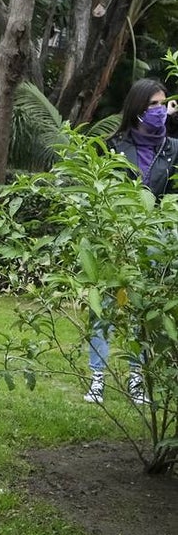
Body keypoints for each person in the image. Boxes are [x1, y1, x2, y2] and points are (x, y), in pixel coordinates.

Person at [83, 77, 178, 404]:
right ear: (137, 107)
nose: (160, 110)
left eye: (163, 104)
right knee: (105, 307)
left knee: (143, 311)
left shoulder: (173, 148)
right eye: (153, 104)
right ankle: (97, 377)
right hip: (117, 239)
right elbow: (101, 192)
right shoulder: (114, 144)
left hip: (155, 241)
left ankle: (137, 378)